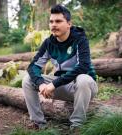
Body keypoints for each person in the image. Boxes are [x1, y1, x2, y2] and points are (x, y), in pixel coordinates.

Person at [22, 4, 98, 132]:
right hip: (63, 87)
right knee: (28, 80)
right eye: (51, 21)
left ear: (69, 23)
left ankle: (77, 127)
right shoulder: (49, 43)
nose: (53, 25)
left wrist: (54, 83)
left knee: (83, 78)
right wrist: (41, 84)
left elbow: (83, 67)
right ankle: (38, 124)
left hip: (85, 87)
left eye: (58, 21)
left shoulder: (80, 39)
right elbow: (33, 66)